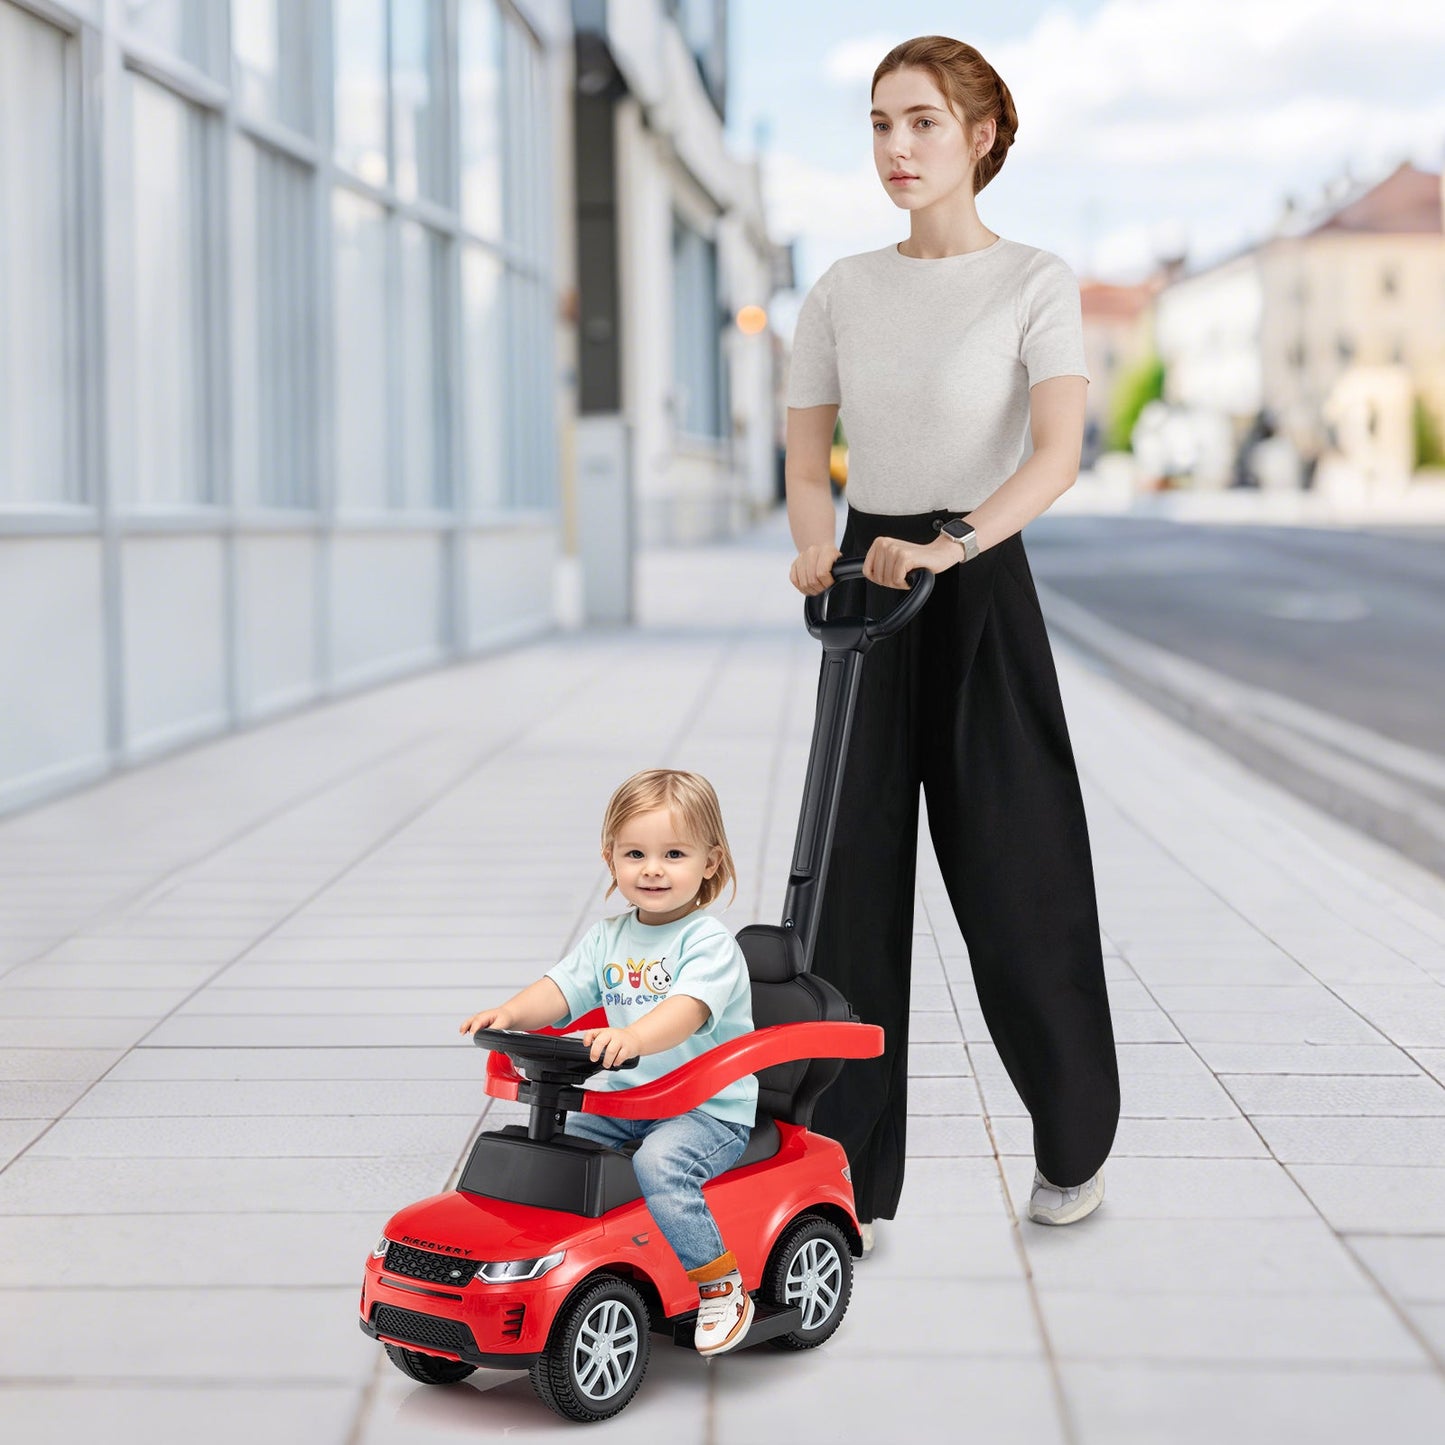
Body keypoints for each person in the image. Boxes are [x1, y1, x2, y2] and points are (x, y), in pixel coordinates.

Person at [784, 36, 1121, 1244]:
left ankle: (1074, 1135)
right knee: (849, 886)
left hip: (974, 583)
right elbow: (809, 457)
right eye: (880, 124)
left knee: (1016, 870)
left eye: (922, 123)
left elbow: (1054, 454)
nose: (895, 149)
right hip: (866, 598)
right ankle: (842, 1167)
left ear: (980, 136)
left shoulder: (1032, 279)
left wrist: (952, 543)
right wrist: (815, 541)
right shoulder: (839, 289)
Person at [460, 768, 759, 1357]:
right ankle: (548, 1268)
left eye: (674, 853)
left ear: (709, 861)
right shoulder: (608, 937)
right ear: (610, 858)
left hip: (704, 1110)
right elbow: (561, 990)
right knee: (549, 1149)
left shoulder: (708, 943)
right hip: (624, 1103)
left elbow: (687, 1010)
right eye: (635, 853)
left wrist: (634, 1037)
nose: (652, 868)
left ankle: (721, 1288)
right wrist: (511, 1013)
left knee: (662, 1168)